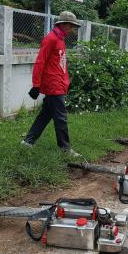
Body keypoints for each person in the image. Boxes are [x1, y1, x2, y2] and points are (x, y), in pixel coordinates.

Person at [21, 11, 81, 157]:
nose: (72, 29)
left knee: (45, 115)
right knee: (61, 117)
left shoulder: (60, 39)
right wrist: (36, 84)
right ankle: (65, 149)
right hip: (53, 84)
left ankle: (28, 141)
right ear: (64, 25)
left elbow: (60, 64)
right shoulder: (51, 39)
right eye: (71, 26)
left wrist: (66, 81)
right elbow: (40, 62)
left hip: (59, 83)